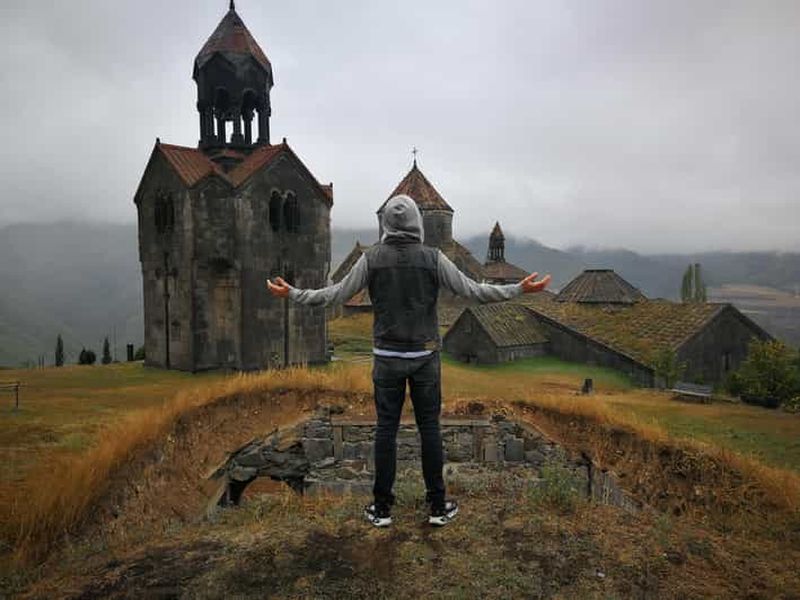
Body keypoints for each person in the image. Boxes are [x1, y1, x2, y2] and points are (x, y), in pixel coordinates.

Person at [267, 194, 551, 527]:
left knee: (386, 430)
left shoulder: (371, 259)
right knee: (429, 428)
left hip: (386, 357)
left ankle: (382, 509)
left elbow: (335, 295)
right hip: (425, 355)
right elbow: (475, 291)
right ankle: (437, 506)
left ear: (385, 223)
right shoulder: (434, 257)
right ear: (417, 222)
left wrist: (294, 294)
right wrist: (519, 289)